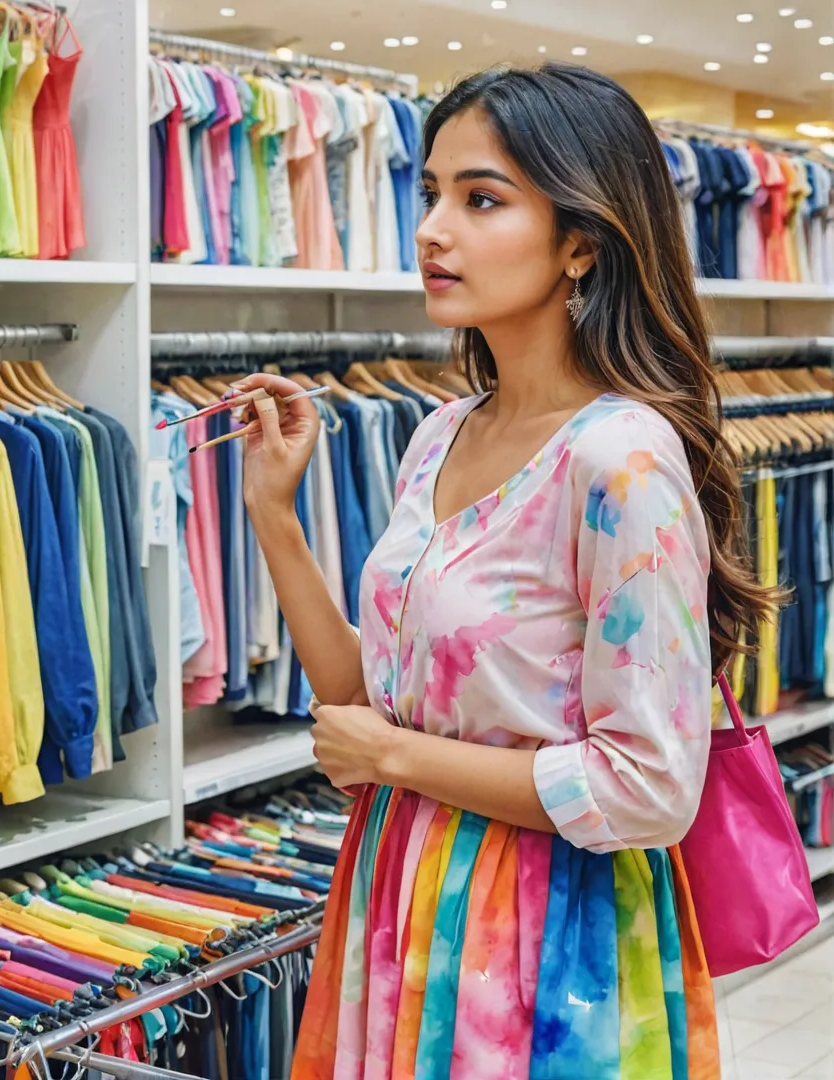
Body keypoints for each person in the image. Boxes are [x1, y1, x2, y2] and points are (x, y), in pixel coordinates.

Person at [232, 64, 777, 1080]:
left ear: (583, 239)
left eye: (481, 199)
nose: (434, 229)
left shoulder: (620, 458)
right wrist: (273, 512)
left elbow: (650, 788)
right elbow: (365, 701)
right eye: (430, 193)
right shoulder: (440, 434)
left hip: (543, 930)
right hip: (401, 889)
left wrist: (392, 763)